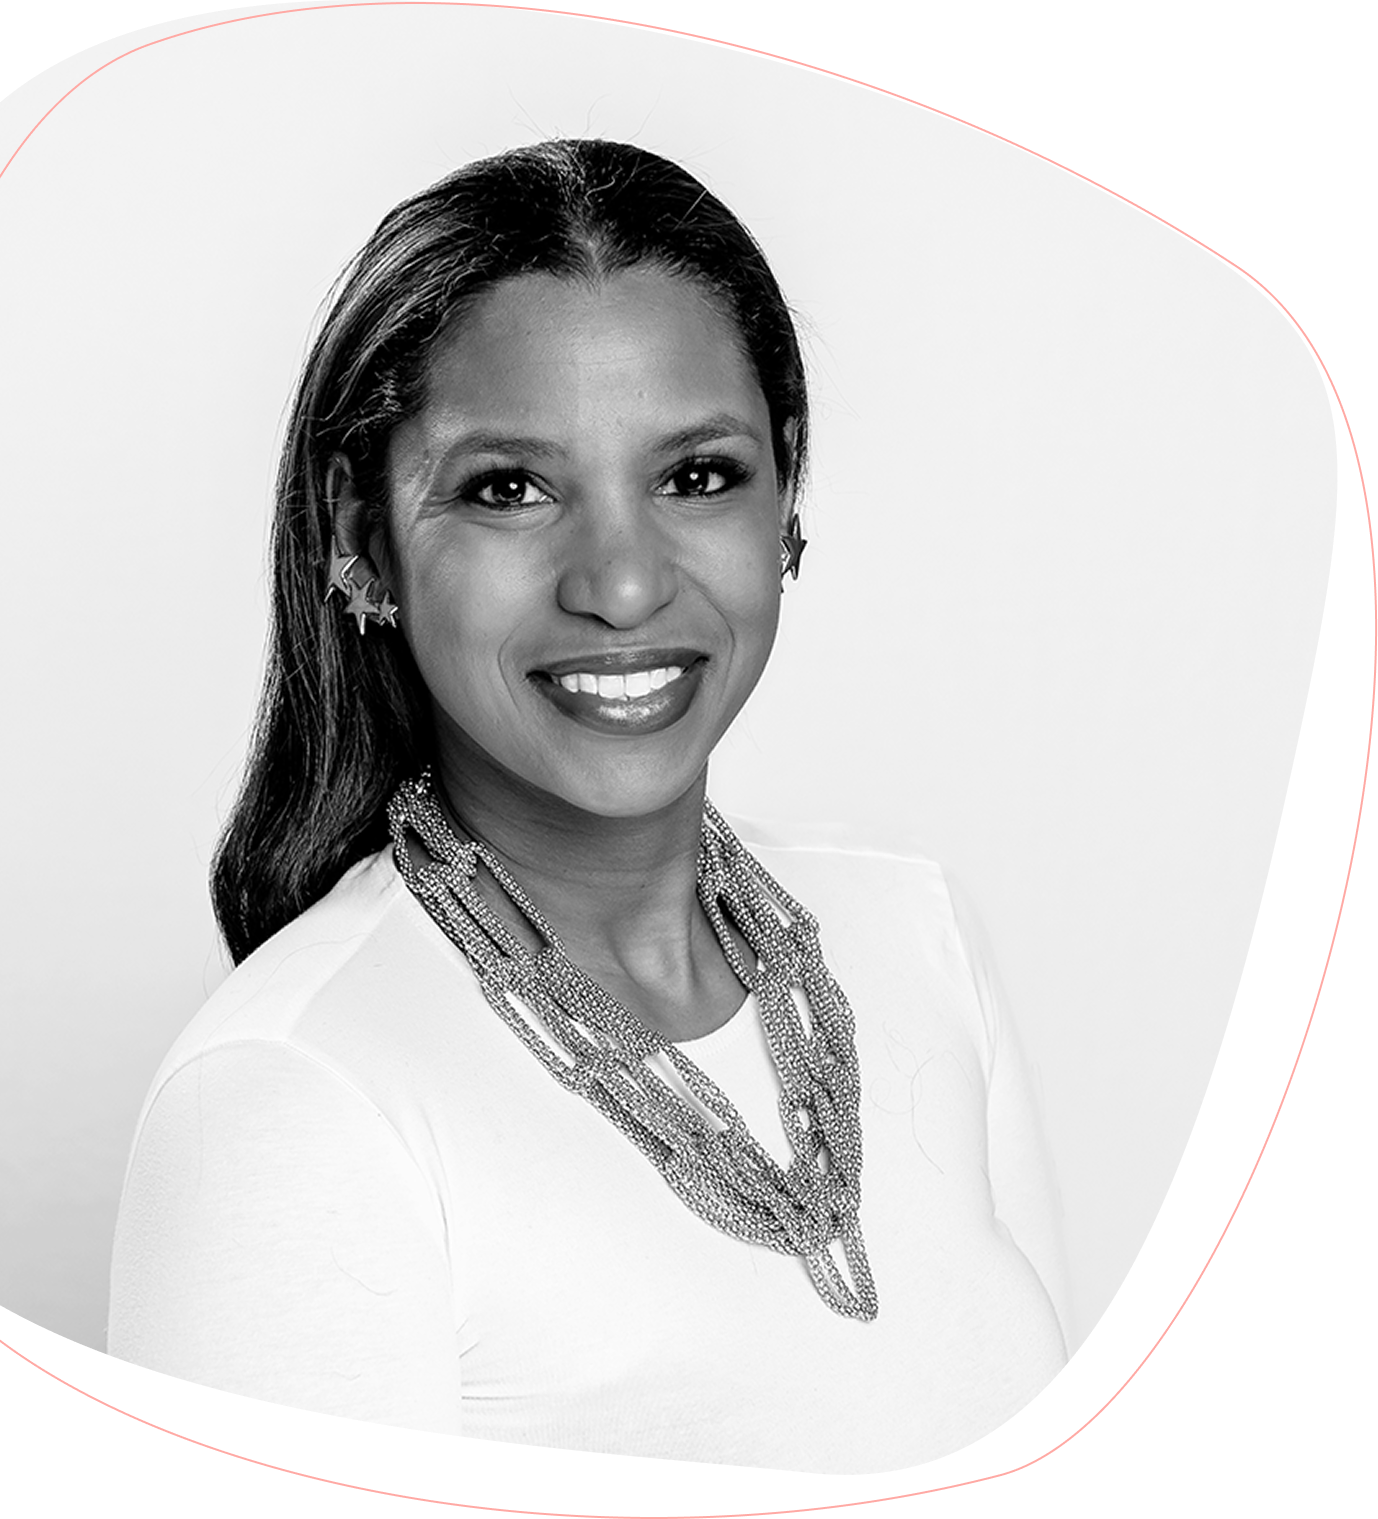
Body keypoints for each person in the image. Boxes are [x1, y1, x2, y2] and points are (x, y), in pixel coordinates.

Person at [108, 139, 1070, 1474]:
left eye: (694, 476)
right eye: (510, 488)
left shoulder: (914, 934)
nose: (619, 582)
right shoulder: (297, 1098)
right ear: (359, 537)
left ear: (785, 492)